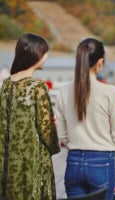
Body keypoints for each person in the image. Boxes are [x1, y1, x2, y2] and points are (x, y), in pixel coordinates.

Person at [55, 38, 115, 200]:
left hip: (73, 161)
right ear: (100, 63)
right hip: (102, 160)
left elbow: (62, 135)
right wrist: (110, 154)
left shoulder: (64, 91)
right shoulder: (111, 92)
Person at [0, 33, 60, 200]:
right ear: (36, 54)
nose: (47, 56)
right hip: (32, 164)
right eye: (45, 52)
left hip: (9, 164)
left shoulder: (6, 84)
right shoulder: (37, 87)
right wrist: (55, 147)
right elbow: (46, 130)